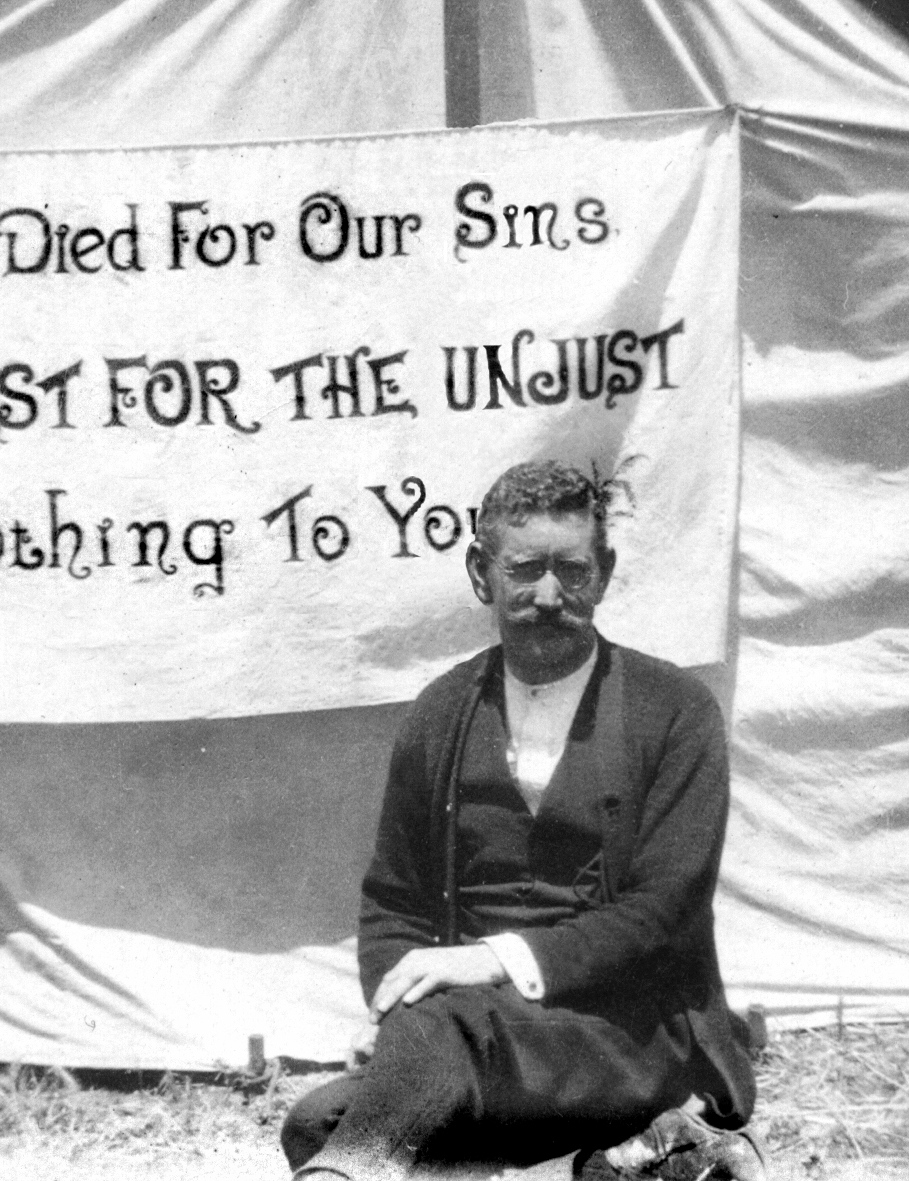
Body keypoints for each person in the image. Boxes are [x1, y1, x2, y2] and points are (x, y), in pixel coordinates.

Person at [281, 460, 762, 1180]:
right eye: (525, 569)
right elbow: (393, 904)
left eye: (572, 571)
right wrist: (399, 1014)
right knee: (314, 1122)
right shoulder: (439, 714)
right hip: (482, 1046)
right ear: (482, 573)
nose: (548, 595)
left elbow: (663, 911)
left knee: (392, 1100)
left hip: (628, 1038)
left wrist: (491, 961)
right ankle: (596, 1167)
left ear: (604, 573)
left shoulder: (674, 713)